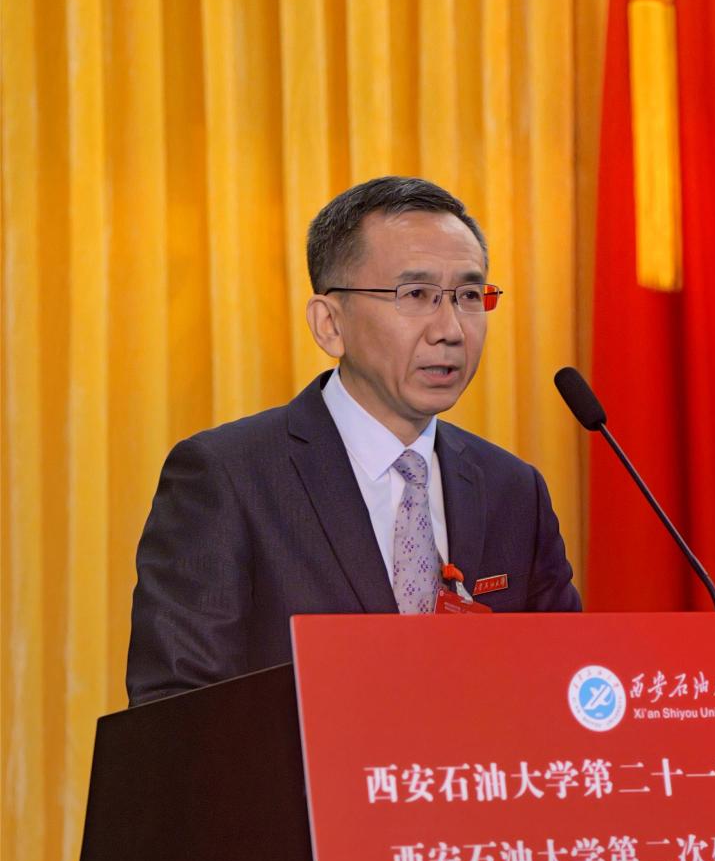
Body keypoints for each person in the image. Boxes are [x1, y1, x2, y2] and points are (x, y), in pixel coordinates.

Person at [126, 176, 581, 705]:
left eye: (468, 296)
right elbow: (175, 710)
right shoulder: (228, 477)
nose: (451, 329)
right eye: (416, 295)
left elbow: (564, 683)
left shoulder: (512, 489)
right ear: (329, 324)